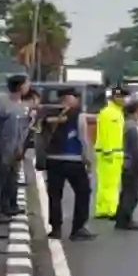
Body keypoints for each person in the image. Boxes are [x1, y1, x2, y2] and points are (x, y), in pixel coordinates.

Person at [40, 88, 95, 240]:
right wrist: (88, 158)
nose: (76, 100)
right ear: (68, 98)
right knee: (83, 192)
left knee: (55, 195)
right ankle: (78, 228)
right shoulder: (78, 115)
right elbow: (83, 139)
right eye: (74, 97)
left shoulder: (48, 113)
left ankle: (55, 228)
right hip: (73, 160)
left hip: (53, 159)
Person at [0, 74, 30, 224]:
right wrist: (9, 153)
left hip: (6, 147)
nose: (29, 87)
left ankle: (7, 206)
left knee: (8, 179)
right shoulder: (8, 106)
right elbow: (8, 134)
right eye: (27, 84)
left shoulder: (9, 102)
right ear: (20, 86)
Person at [93, 86, 128, 220]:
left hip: (113, 152)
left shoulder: (116, 112)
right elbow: (106, 133)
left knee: (108, 183)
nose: (124, 100)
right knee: (109, 184)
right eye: (122, 97)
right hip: (110, 153)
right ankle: (109, 209)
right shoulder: (109, 113)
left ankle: (104, 208)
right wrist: (108, 152)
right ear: (115, 98)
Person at [115, 98, 138, 230]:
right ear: (137, 110)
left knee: (126, 192)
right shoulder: (132, 127)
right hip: (132, 164)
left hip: (127, 163)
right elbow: (136, 150)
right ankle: (126, 219)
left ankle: (121, 218)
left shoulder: (130, 124)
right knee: (132, 193)